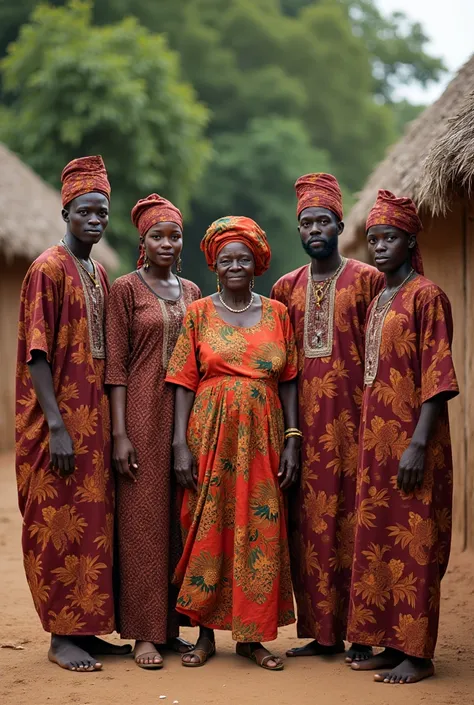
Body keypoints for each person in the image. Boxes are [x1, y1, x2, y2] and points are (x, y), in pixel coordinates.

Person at [165, 216, 300, 671]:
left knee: (259, 529)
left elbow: (289, 382)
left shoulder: (279, 314)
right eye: (227, 260)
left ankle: (253, 638)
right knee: (208, 528)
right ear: (215, 266)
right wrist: (180, 446)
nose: (236, 265)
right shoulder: (198, 313)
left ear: (258, 263)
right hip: (210, 435)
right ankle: (204, 636)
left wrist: (292, 439)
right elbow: (183, 381)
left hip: (263, 436)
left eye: (244, 258)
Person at [15, 156, 130, 671]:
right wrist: (57, 425)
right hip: (57, 425)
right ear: (66, 210)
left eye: (102, 211)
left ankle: (87, 627)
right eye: (86, 210)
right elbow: (36, 353)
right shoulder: (47, 268)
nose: (95, 219)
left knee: (93, 522)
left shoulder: (97, 271)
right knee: (57, 520)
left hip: (95, 424)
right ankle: (61, 635)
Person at [347, 190, 459, 684]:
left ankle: (419, 654)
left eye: (389, 238)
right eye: (373, 240)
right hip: (377, 444)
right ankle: (391, 644)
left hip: (416, 443)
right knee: (380, 541)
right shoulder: (380, 300)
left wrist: (418, 442)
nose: (380, 247)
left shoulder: (427, 295)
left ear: (409, 239)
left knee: (416, 540)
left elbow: (437, 375)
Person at [271, 173, 383, 663]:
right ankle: (321, 635)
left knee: (357, 525)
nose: (314, 229)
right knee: (310, 527)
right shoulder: (284, 288)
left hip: (358, 426)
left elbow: (381, 359)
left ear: (340, 224)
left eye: (323, 221)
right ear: (299, 230)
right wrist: (289, 434)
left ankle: (361, 633)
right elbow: (284, 368)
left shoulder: (367, 281)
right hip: (304, 433)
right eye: (306, 223)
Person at [106, 194, 200, 669]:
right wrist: (120, 433)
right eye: (157, 236)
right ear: (142, 242)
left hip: (188, 418)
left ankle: (169, 629)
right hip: (141, 415)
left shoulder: (193, 293)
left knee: (177, 522)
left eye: (174, 235)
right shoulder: (125, 290)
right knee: (142, 522)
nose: (167, 242)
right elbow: (116, 367)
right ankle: (142, 632)